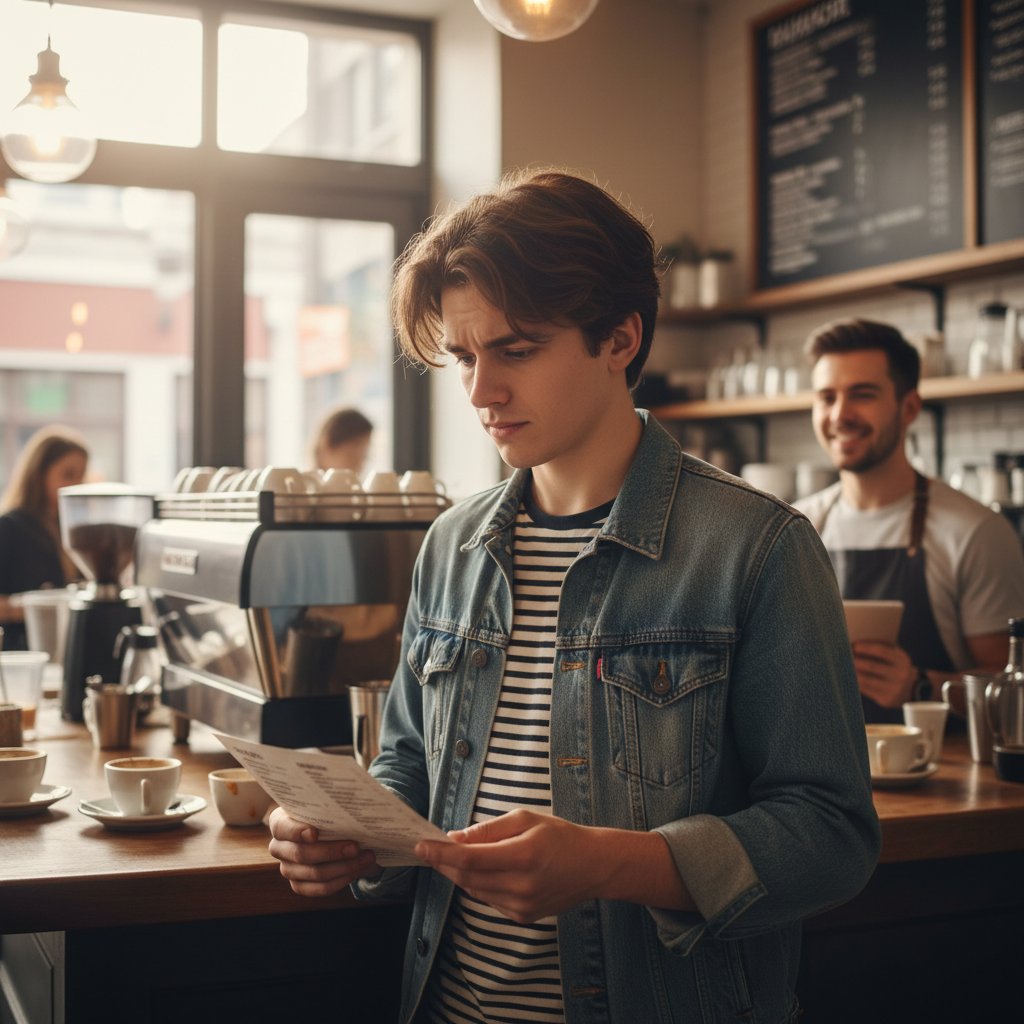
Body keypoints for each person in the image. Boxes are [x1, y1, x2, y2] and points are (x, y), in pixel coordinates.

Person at [268, 170, 880, 1024]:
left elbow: (832, 836)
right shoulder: (453, 544)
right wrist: (353, 836)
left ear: (620, 338)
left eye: (515, 350)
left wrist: (610, 864)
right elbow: (412, 762)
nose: (483, 392)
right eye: (465, 358)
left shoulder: (758, 548)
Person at [794, 318, 1024, 723]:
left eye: (862, 395)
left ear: (910, 407)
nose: (840, 414)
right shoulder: (797, 527)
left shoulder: (974, 533)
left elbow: (1011, 691)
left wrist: (920, 686)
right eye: (827, 397)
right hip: (817, 777)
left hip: (943, 777)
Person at [0, 425, 89, 650]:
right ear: (39, 474)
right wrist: (33, 608)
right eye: (68, 475)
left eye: (81, 476)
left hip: (65, 648)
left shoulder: (74, 530)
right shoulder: (9, 527)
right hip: (22, 653)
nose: (76, 485)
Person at [312, 407, 374, 475]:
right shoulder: (301, 484)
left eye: (364, 457)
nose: (359, 466)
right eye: (351, 457)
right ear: (326, 447)